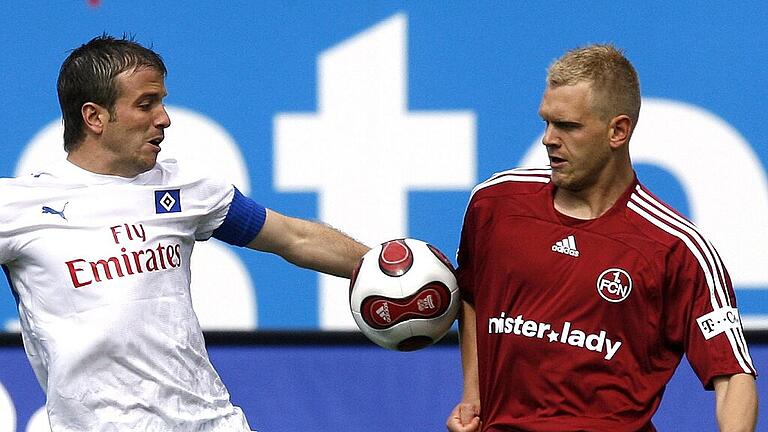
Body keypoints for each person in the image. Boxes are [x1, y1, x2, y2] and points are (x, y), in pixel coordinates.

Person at [0, 35, 369, 431]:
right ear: (95, 117)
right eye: (146, 104)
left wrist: (391, 268)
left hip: (214, 423)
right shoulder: (18, 206)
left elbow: (295, 238)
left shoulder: (188, 190)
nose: (164, 118)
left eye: (161, 101)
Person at [446, 44, 758, 432]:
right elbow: (472, 295)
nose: (548, 139)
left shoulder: (676, 248)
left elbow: (734, 378)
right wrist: (473, 396)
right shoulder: (494, 205)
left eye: (568, 126)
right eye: (546, 122)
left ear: (618, 131)